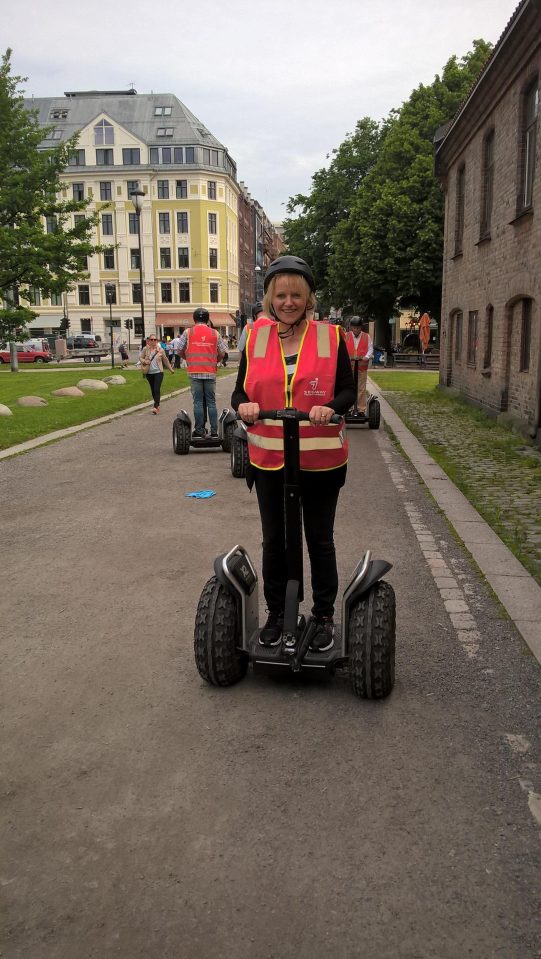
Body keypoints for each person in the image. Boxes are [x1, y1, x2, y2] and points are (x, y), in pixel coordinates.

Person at [231, 255, 355, 652]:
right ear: (270, 297)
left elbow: (349, 391)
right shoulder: (255, 337)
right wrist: (244, 406)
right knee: (275, 541)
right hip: (268, 460)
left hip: (320, 461)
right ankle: (278, 612)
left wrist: (332, 407)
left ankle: (322, 615)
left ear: (309, 298)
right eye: (281, 295)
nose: (288, 302)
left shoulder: (331, 337)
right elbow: (239, 391)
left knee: (319, 540)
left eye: (296, 295)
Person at [177, 308, 227, 437]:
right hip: (210, 372)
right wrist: (215, 361)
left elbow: (179, 350)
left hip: (194, 372)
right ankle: (214, 431)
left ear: (194, 319)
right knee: (211, 401)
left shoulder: (188, 332)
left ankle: (199, 430)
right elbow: (222, 352)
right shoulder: (215, 333)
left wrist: (188, 359)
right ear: (207, 319)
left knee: (198, 402)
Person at [139, 333, 174, 413]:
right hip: (149, 373)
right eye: (152, 340)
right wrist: (145, 361)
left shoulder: (160, 350)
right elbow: (140, 357)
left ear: (157, 341)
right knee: (152, 389)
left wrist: (170, 369)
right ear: (149, 341)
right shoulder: (145, 349)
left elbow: (165, 360)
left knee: (156, 388)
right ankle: (157, 404)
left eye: (155, 340)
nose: (153, 341)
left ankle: (156, 406)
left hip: (158, 372)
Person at [345, 316, 373, 414]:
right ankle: (349, 408)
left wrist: (367, 356)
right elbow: (342, 348)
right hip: (349, 367)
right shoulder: (346, 336)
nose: (356, 330)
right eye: (354, 328)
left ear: (361, 327)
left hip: (362, 366)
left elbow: (370, 348)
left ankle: (361, 409)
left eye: (358, 328)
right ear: (351, 327)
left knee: (361, 388)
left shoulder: (366, 336)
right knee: (349, 387)